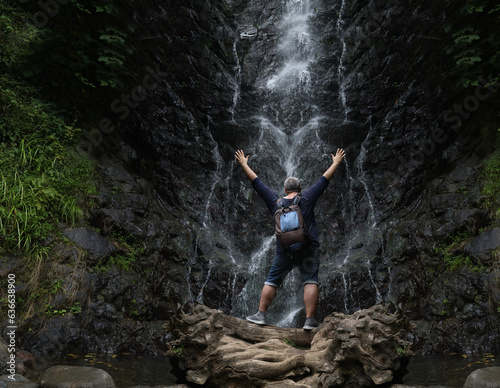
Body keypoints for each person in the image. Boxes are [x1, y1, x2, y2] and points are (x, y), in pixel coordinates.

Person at [234, 148, 346, 330]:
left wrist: (244, 164)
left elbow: (256, 182)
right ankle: (309, 320)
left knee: (272, 280)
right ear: (300, 189)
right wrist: (335, 163)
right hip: (308, 248)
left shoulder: (275, 201)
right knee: (310, 280)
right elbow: (324, 180)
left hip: (284, 249)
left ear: (285, 190)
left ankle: (260, 314)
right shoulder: (307, 197)